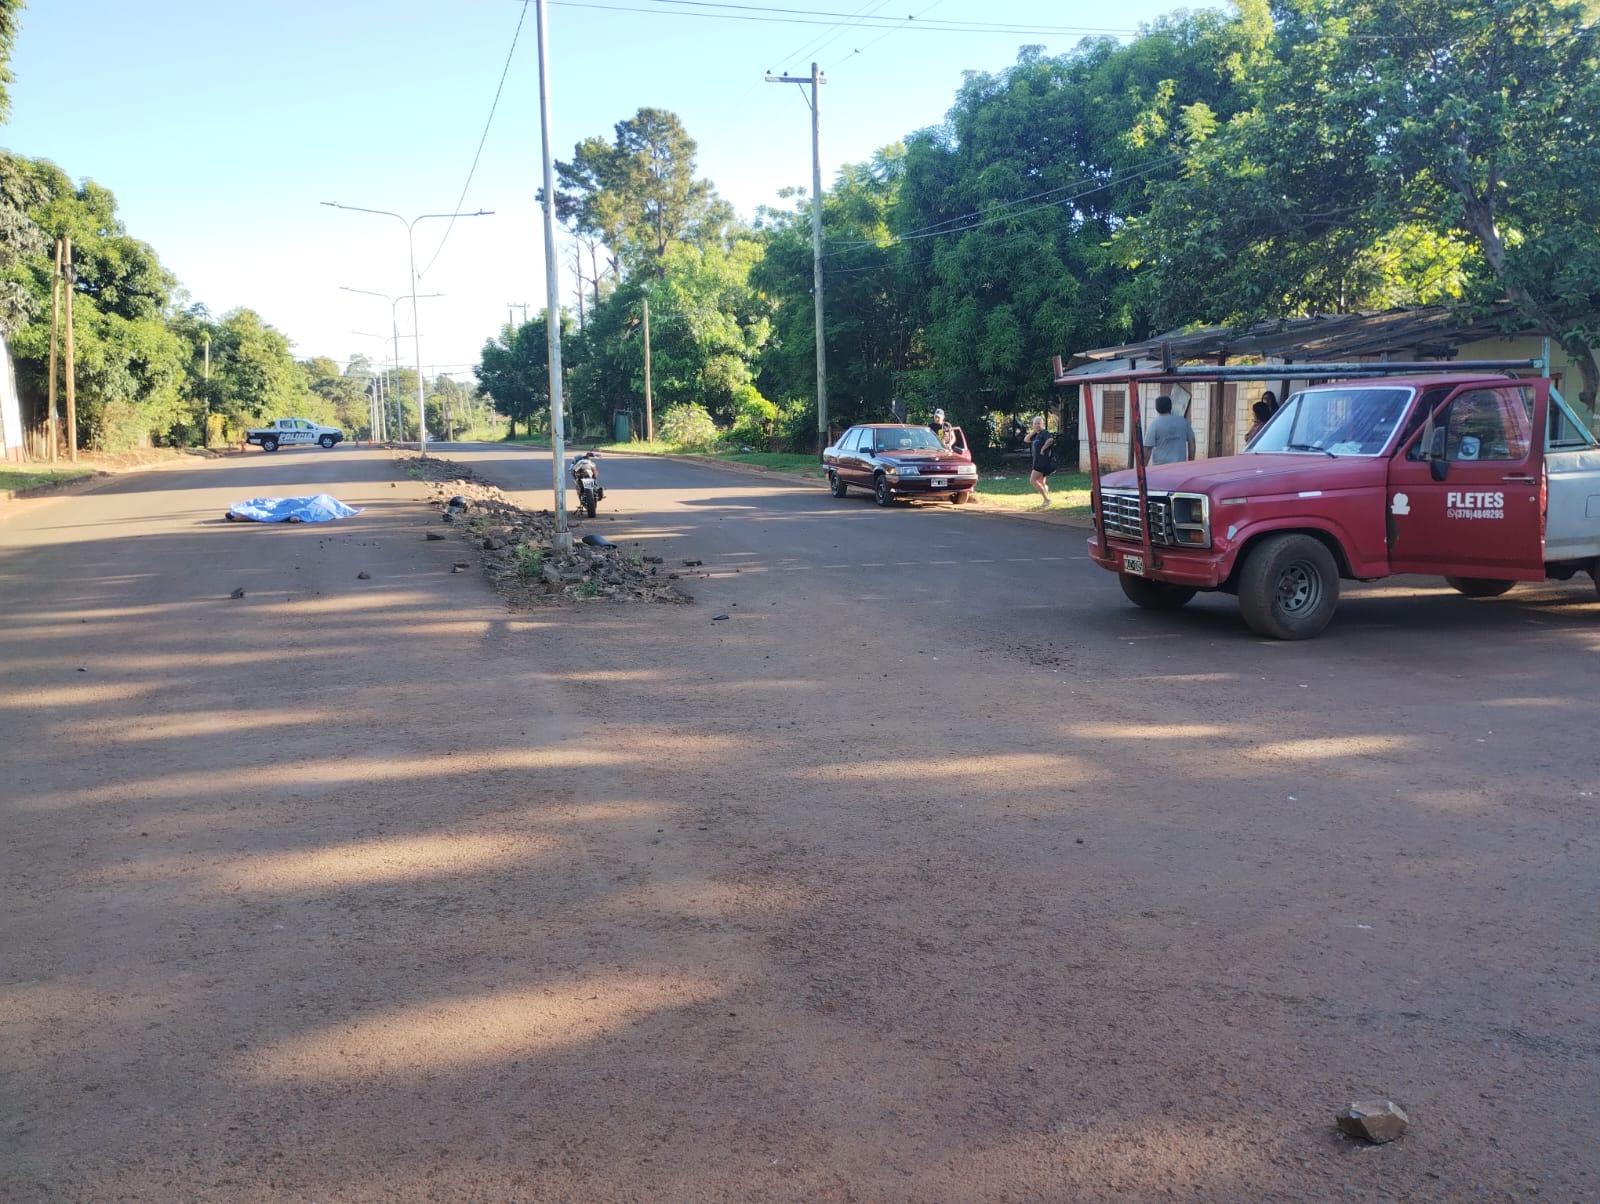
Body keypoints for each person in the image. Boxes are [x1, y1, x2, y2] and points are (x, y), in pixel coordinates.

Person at [1144, 395, 1196, 466]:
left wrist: (1143, 468)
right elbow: (1192, 441)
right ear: (1171, 406)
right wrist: (1191, 462)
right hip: (1180, 467)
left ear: (1156, 408)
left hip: (1161, 468)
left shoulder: (1154, 424)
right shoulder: (1182, 421)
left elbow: (1147, 449)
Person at [1028, 415, 1057, 508]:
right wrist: (1033, 431)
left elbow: (1050, 440)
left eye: (1039, 423)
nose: (1037, 425)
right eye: (1035, 424)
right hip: (1037, 461)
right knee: (1041, 482)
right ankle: (1047, 500)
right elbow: (1026, 439)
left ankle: (1047, 500)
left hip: (1043, 461)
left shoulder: (1044, 432)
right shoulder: (1036, 435)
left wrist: (1043, 448)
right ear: (1033, 425)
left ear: (1042, 424)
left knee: (1033, 480)